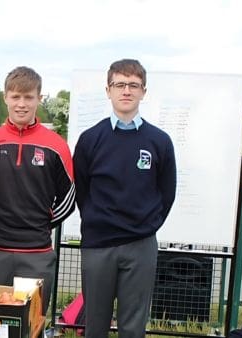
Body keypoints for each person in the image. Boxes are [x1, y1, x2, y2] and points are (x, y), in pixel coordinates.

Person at [73, 59, 176, 338]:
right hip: (98, 246)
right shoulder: (91, 139)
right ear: (108, 90)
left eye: (133, 85)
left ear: (144, 91)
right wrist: (99, 221)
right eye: (120, 84)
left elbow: (167, 193)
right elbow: (82, 191)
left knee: (133, 327)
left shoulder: (159, 141)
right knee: (95, 325)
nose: (126, 91)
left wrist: (145, 225)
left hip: (140, 245)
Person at [0, 66, 75, 315]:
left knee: (32, 324)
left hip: (37, 253)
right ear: (5, 97)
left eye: (29, 97)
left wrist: (41, 223)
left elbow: (68, 197)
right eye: (16, 97)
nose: (22, 104)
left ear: (39, 99)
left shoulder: (56, 146)